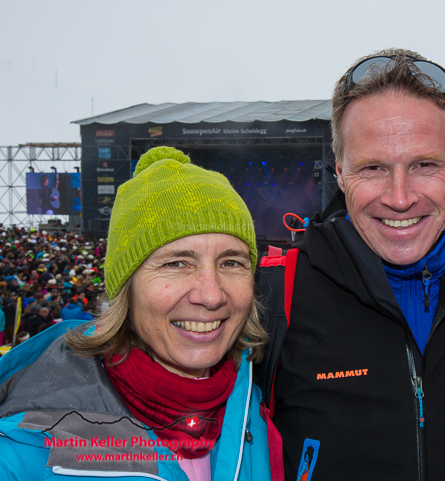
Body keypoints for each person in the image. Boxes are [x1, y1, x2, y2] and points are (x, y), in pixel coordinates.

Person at [264, 49, 445, 480]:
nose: (400, 198)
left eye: (424, 164)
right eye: (374, 168)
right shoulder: (276, 295)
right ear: (341, 171)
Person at [0, 147, 271, 480]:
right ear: (126, 287)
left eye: (231, 262)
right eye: (176, 263)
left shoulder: (261, 404)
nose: (211, 295)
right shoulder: (19, 451)